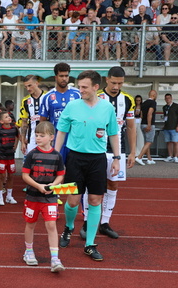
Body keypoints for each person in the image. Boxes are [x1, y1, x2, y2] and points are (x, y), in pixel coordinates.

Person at [55, 70, 120, 261]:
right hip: (74, 158)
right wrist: (56, 156)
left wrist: (116, 157)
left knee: (94, 200)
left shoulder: (107, 108)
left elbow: (113, 134)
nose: (80, 90)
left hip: (98, 159)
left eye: (84, 87)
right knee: (73, 201)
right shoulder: (72, 106)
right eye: (79, 86)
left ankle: (90, 244)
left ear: (95, 87)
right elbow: (61, 132)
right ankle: (68, 227)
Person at [80, 66, 136, 240]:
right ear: (106, 80)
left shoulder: (127, 100)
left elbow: (131, 127)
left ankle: (105, 223)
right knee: (91, 186)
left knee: (113, 185)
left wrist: (133, 152)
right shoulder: (96, 97)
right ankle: (87, 221)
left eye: (120, 83)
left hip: (117, 150)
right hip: (95, 150)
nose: (116, 86)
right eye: (113, 82)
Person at [21, 121, 65, 272]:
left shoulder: (57, 156)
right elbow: (25, 175)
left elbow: (60, 176)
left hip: (50, 198)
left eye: (42, 135)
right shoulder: (32, 154)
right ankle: (28, 251)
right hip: (33, 197)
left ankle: (55, 258)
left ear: (51, 137)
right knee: (30, 224)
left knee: (51, 224)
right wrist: (38, 186)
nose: (38, 138)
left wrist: (52, 185)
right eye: (36, 135)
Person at [39, 62, 81, 163]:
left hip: (74, 140)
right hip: (57, 141)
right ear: (56, 77)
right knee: (57, 171)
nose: (64, 79)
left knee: (73, 172)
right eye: (61, 76)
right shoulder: (47, 97)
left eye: (66, 76)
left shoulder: (77, 94)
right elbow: (43, 122)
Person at [0, 111, 19, 205]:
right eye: (6, 117)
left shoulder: (14, 129)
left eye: (9, 116)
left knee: (11, 175)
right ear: (1, 121)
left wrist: (15, 146)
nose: (9, 118)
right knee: (0, 176)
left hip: (11, 156)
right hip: (1, 156)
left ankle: (9, 196)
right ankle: (0, 197)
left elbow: (18, 136)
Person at [19, 75, 46, 155]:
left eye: (30, 85)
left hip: (47, 137)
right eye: (26, 86)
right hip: (32, 139)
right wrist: (23, 142)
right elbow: (24, 122)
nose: (28, 89)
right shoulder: (25, 100)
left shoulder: (47, 96)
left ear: (37, 83)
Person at [135, 90, 157, 165]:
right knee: (149, 142)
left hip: (142, 124)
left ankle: (149, 158)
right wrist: (149, 124)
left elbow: (141, 115)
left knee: (146, 142)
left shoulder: (143, 103)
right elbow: (149, 113)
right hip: (148, 124)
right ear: (154, 95)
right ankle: (139, 157)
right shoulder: (153, 103)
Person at [162, 93, 178, 163]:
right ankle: (170, 156)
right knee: (168, 142)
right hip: (167, 127)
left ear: (171, 98)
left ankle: (175, 156)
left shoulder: (176, 106)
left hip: (174, 127)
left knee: (175, 142)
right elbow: (165, 117)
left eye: (168, 98)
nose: (167, 99)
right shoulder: (164, 107)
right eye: (166, 98)